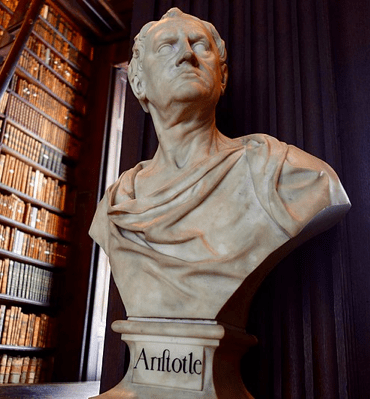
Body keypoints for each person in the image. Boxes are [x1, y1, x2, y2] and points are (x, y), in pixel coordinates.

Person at [89, 8, 350, 326]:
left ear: (222, 76)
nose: (186, 54)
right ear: (138, 83)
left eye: (198, 44)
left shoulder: (284, 174)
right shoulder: (119, 202)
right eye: (167, 46)